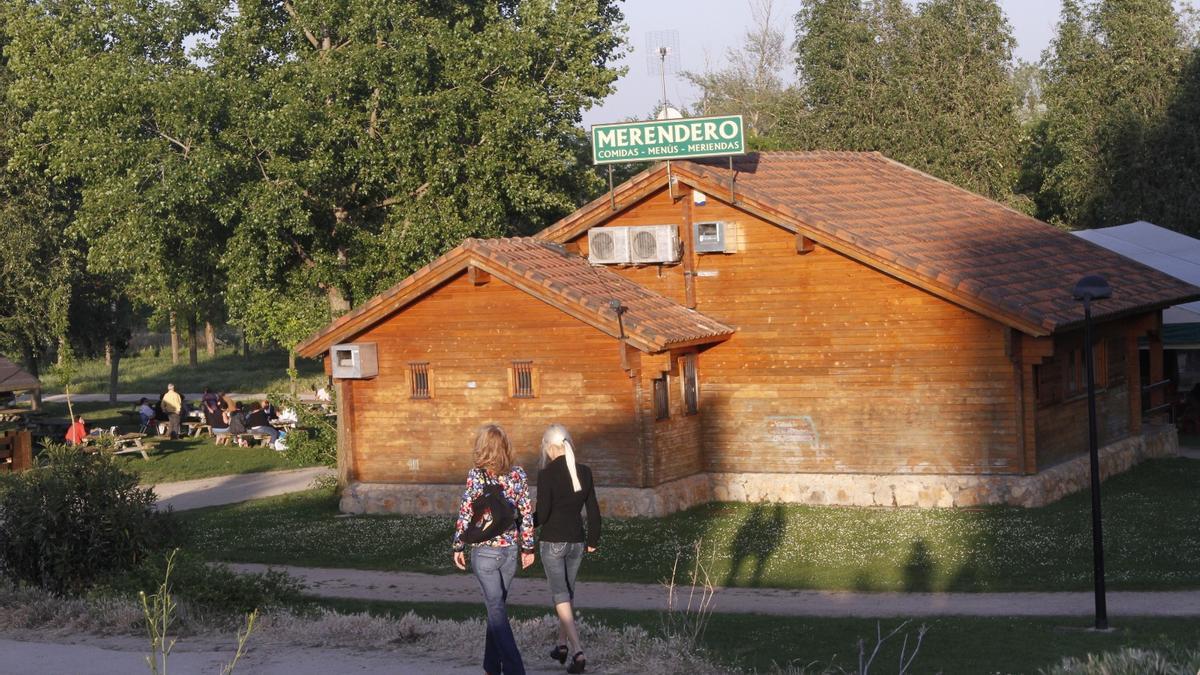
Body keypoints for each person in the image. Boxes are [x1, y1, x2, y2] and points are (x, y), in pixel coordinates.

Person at [452, 424, 535, 675]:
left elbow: (466, 510)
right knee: (496, 606)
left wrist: (458, 544)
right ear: (505, 447)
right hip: (509, 551)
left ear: (482, 447)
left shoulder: (476, 475)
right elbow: (526, 514)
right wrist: (528, 547)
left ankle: (514, 669)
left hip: (485, 552)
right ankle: (491, 666)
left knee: (496, 608)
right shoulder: (518, 474)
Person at [534, 424, 601, 674]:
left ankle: (578, 652)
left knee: (560, 595)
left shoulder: (547, 474)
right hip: (577, 542)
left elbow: (543, 514)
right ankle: (561, 646)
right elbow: (593, 510)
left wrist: (522, 522)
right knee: (568, 594)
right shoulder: (584, 472)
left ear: (551, 447)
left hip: (553, 542)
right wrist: (593, 540)